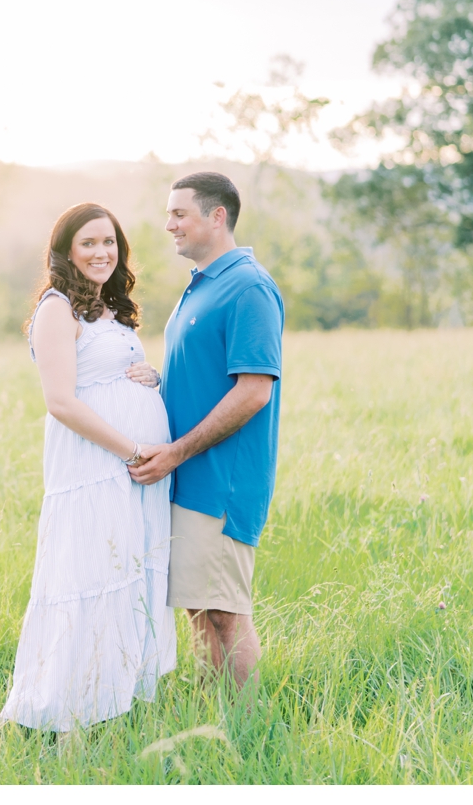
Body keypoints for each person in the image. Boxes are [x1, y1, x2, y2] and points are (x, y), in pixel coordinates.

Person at [0, 202, 176, 733]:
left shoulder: (110, 310)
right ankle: (72, 712)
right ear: (66, 253)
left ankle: (119, 700)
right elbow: (63, 402)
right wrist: (130, 450)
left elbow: (108, 378)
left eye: (109, 243)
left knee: (130, 578)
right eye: (88, 244)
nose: (102, 253)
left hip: (134, 474)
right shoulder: (58, 309)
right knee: (91, 577)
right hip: (97, 468)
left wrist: (150, 378)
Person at [128, 172, 283, 692]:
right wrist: (160, 380)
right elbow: (207, 373)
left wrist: (174, 452)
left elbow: (253, 390)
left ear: (217, 217)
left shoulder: (249, 286)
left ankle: (243, 731)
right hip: (187, 477)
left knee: (224, 613)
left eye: (179, 214)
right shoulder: (203, 283)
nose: (168, 224)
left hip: (221, 482)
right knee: (200, 610)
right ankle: (211, 721)